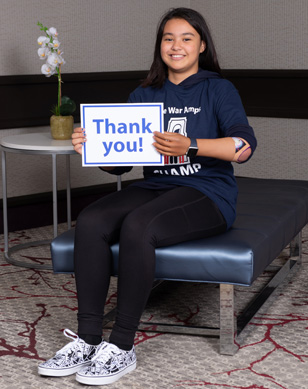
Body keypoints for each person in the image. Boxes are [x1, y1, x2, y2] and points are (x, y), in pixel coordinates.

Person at [38, 7, 256, 386]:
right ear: (160, 46)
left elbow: (243, 146)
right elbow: (123, 165)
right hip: (155, 187)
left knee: (140, 226)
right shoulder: (144, 93)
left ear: (202, 45)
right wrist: (92, 147)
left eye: (187, 38)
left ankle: (121, 346)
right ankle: (88, 339)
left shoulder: (217, 88)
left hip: (208, 192)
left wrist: (191, 145)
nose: (176, 46)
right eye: (168, 38)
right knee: (90, 220)